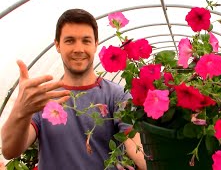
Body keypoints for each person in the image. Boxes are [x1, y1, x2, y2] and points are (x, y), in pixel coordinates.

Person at [1, 9, 146, 170]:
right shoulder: (44, 97)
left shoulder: (116, 95)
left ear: (96, 44)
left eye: (86, 41)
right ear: (57, 45)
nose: (78, 49)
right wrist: (21, 111)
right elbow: (9, 150)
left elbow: (137, 148)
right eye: (70, 40)